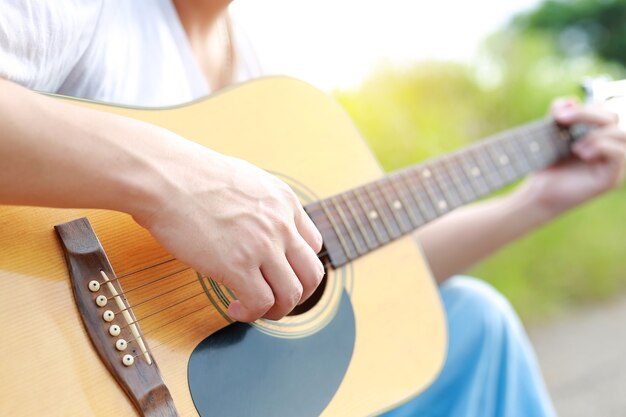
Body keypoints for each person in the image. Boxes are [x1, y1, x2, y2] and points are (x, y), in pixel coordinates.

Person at [0, 1, 624, 416]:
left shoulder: (265, 74)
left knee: (473, 322)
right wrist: (171, 181)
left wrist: (540, 199)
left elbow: (371, 285)